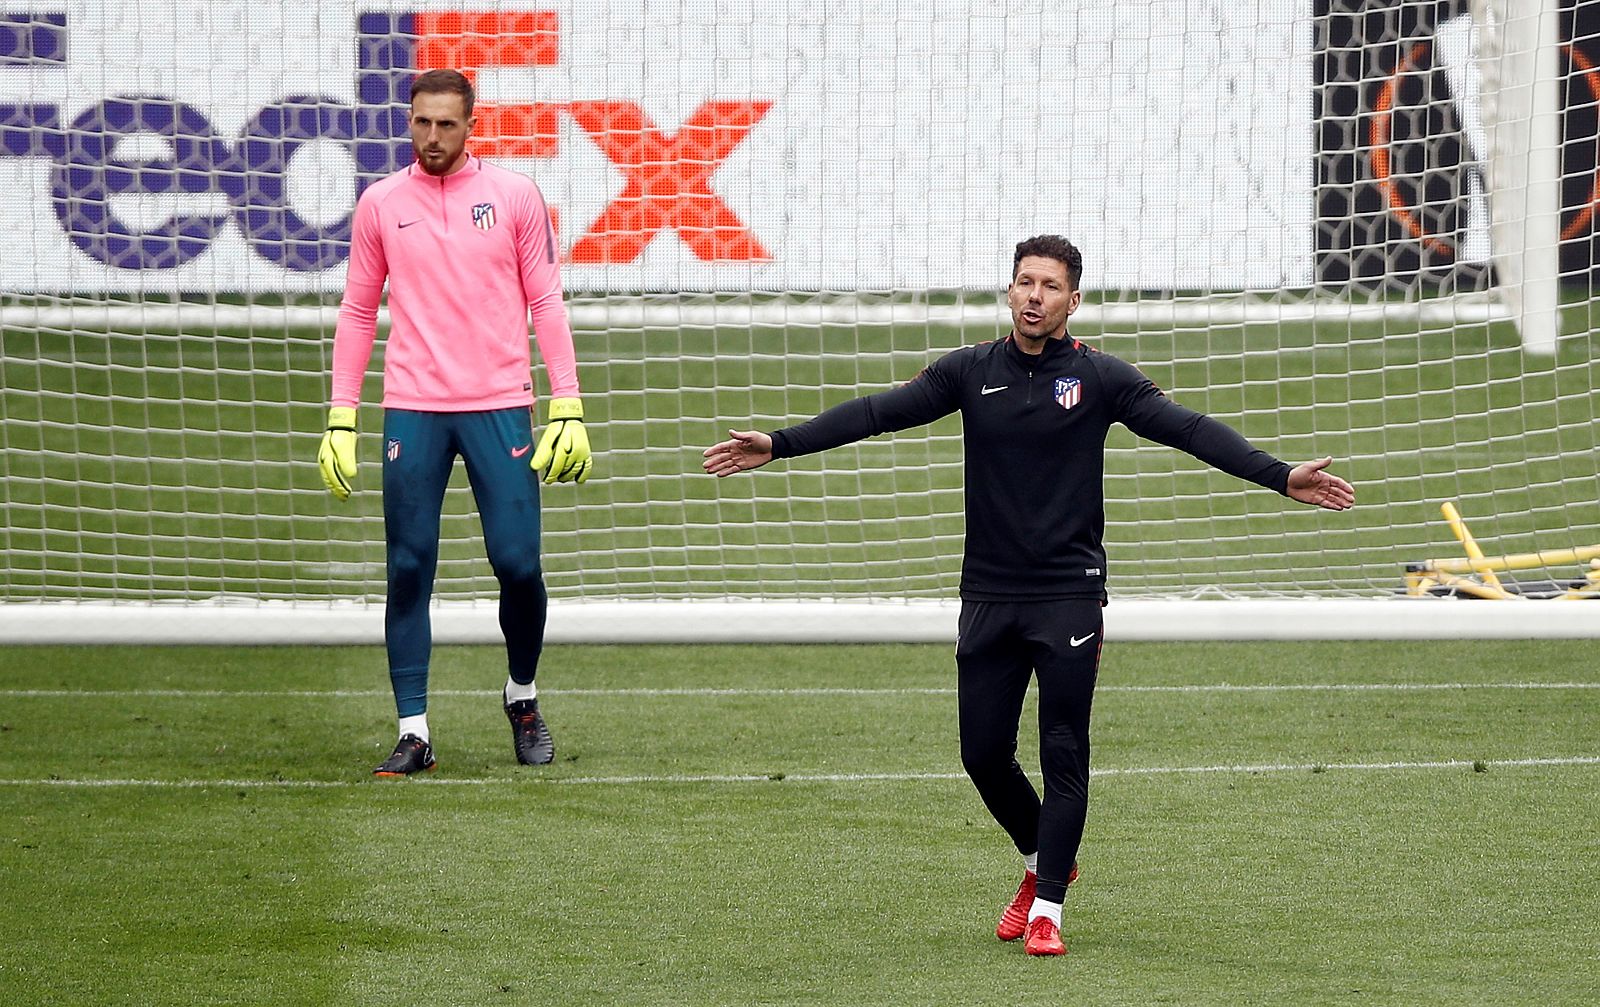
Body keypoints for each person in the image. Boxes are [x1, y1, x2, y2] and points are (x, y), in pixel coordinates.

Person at [701, 235, 1354, 956]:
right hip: (988, 594)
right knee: (981, 753)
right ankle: (1045, 854)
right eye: (1024, 282)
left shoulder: (1102, 378)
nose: (1034, 295)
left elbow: (1189, 430)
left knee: (1063, 748)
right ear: (1009, 291)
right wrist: (782, 443)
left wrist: (1279, 474)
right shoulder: (968, 370)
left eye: (1049, 286)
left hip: (1068, 596)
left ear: (1074, 300)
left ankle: (1049, 907)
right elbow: (877, 412)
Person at [316, 69, 592, 777]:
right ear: (408, 123)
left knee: (518, 564)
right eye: (421, 123)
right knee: (409, 567)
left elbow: (547, 302)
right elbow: (355, 311)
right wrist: (341, 417)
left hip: (502, 402)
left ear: (473, 125)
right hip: (413, 405)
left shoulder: (514, 197)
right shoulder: (380, 204)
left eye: (446, 123)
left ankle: (522, 697)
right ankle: (415, 731)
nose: (432, 136)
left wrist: (568, 401)